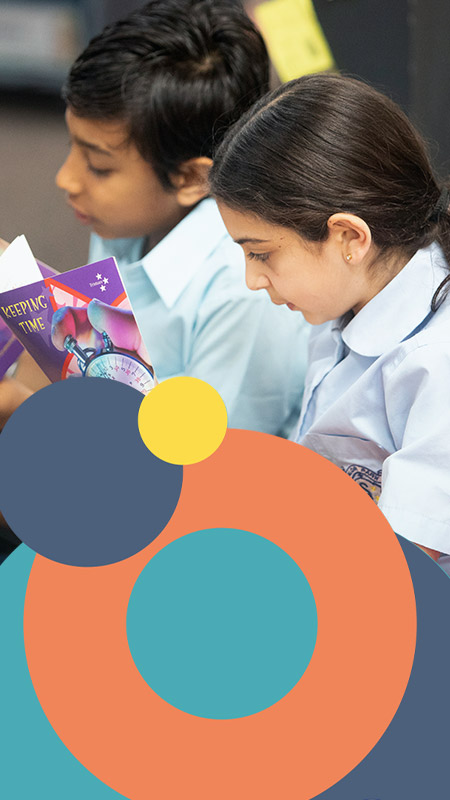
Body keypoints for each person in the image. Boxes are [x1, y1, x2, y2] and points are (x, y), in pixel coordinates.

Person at [209, 71, 450, 565]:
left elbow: (406, 563)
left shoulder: (435, 362)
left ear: (349, 238)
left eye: (261, 254)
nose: (252, 280)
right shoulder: (341, 303)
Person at [53, 0, 308, 436]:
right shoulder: (120, 223)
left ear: (191, 177)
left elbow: (207, 462)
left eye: (98, 165)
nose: (66, 179)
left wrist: (21, 407)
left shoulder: (244, 291)